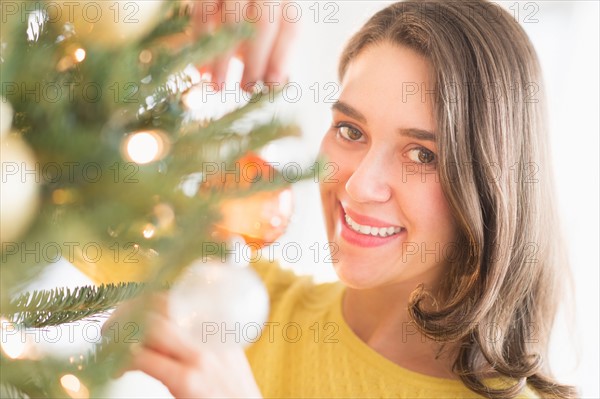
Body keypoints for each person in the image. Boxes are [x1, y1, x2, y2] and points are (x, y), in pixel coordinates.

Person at [106, 1, 577, 397]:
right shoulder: (225, 301)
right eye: (351, 131)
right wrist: (161, 30)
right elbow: (63, 174)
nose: (357, 186)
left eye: (422, 154)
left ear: (491, 182)